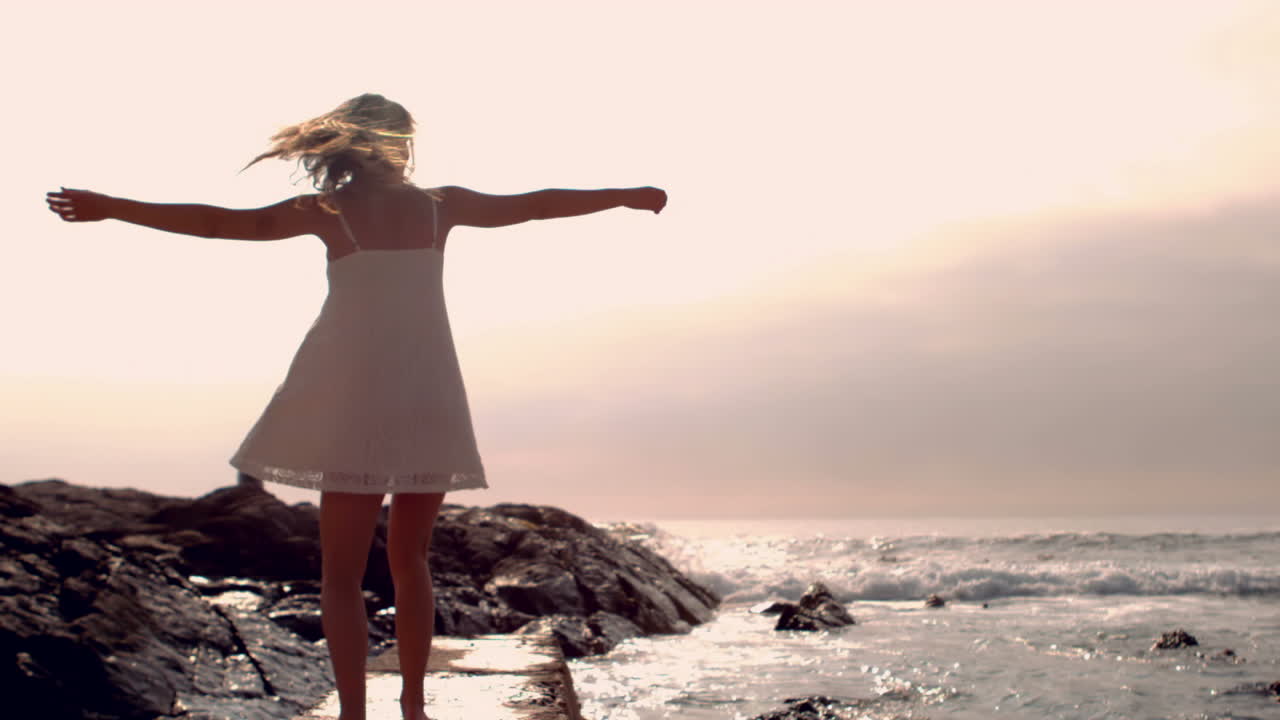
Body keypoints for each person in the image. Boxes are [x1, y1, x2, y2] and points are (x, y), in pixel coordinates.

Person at [46, 92, 666, 720]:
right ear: (401, 143)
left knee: (341, 575)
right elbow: (535, 206)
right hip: (428, 393)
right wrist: (622, 195)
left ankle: (352, 714)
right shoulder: (437, 206)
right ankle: (414, 707)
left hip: (352, 397)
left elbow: (220, 222)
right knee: (411, 559)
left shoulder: (330, 208)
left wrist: (114, 208)